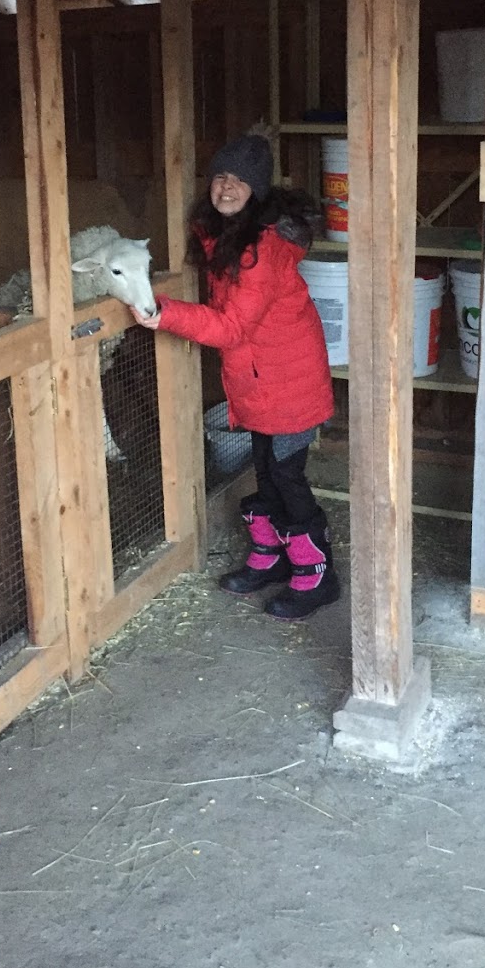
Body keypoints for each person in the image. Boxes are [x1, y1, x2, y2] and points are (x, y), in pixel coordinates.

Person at [130, 129, 339, 620]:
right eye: (220, 177)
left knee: (286, 476)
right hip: (261, 380)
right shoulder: (225, 235)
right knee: (266, 470)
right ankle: (274, 556)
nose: (226, 188)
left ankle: (318, 574)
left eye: (239, 181)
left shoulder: (260, 249)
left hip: (288, 383)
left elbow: (231, 327)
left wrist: (164, 312)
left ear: (256, 191)